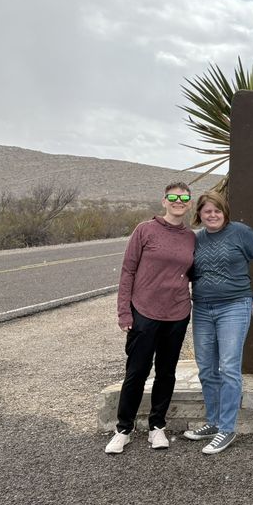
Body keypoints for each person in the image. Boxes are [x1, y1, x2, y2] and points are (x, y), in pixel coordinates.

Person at [106, 182, 195, 454]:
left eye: (184, 198)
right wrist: (124, 311)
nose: (178, 201)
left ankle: (157, 427)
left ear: (190, 203)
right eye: (173, 197)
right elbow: (127, 272)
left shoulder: (192, 237)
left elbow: (194, 274)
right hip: (144, 311)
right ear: (164, 201)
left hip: (177, 313)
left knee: (166, 372)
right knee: (137, 371)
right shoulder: (145, 230)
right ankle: (124, 428)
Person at [183, 189, 253, 454]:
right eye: (207, 211)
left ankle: (227, 429)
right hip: (203, 309)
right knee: (206, 368)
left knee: (229, 367)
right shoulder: (196, 239)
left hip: (234, 306)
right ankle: (213, 422)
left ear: (225, 212)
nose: (212, 215)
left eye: (217, 210)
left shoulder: (240, 232)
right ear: (199, 214)